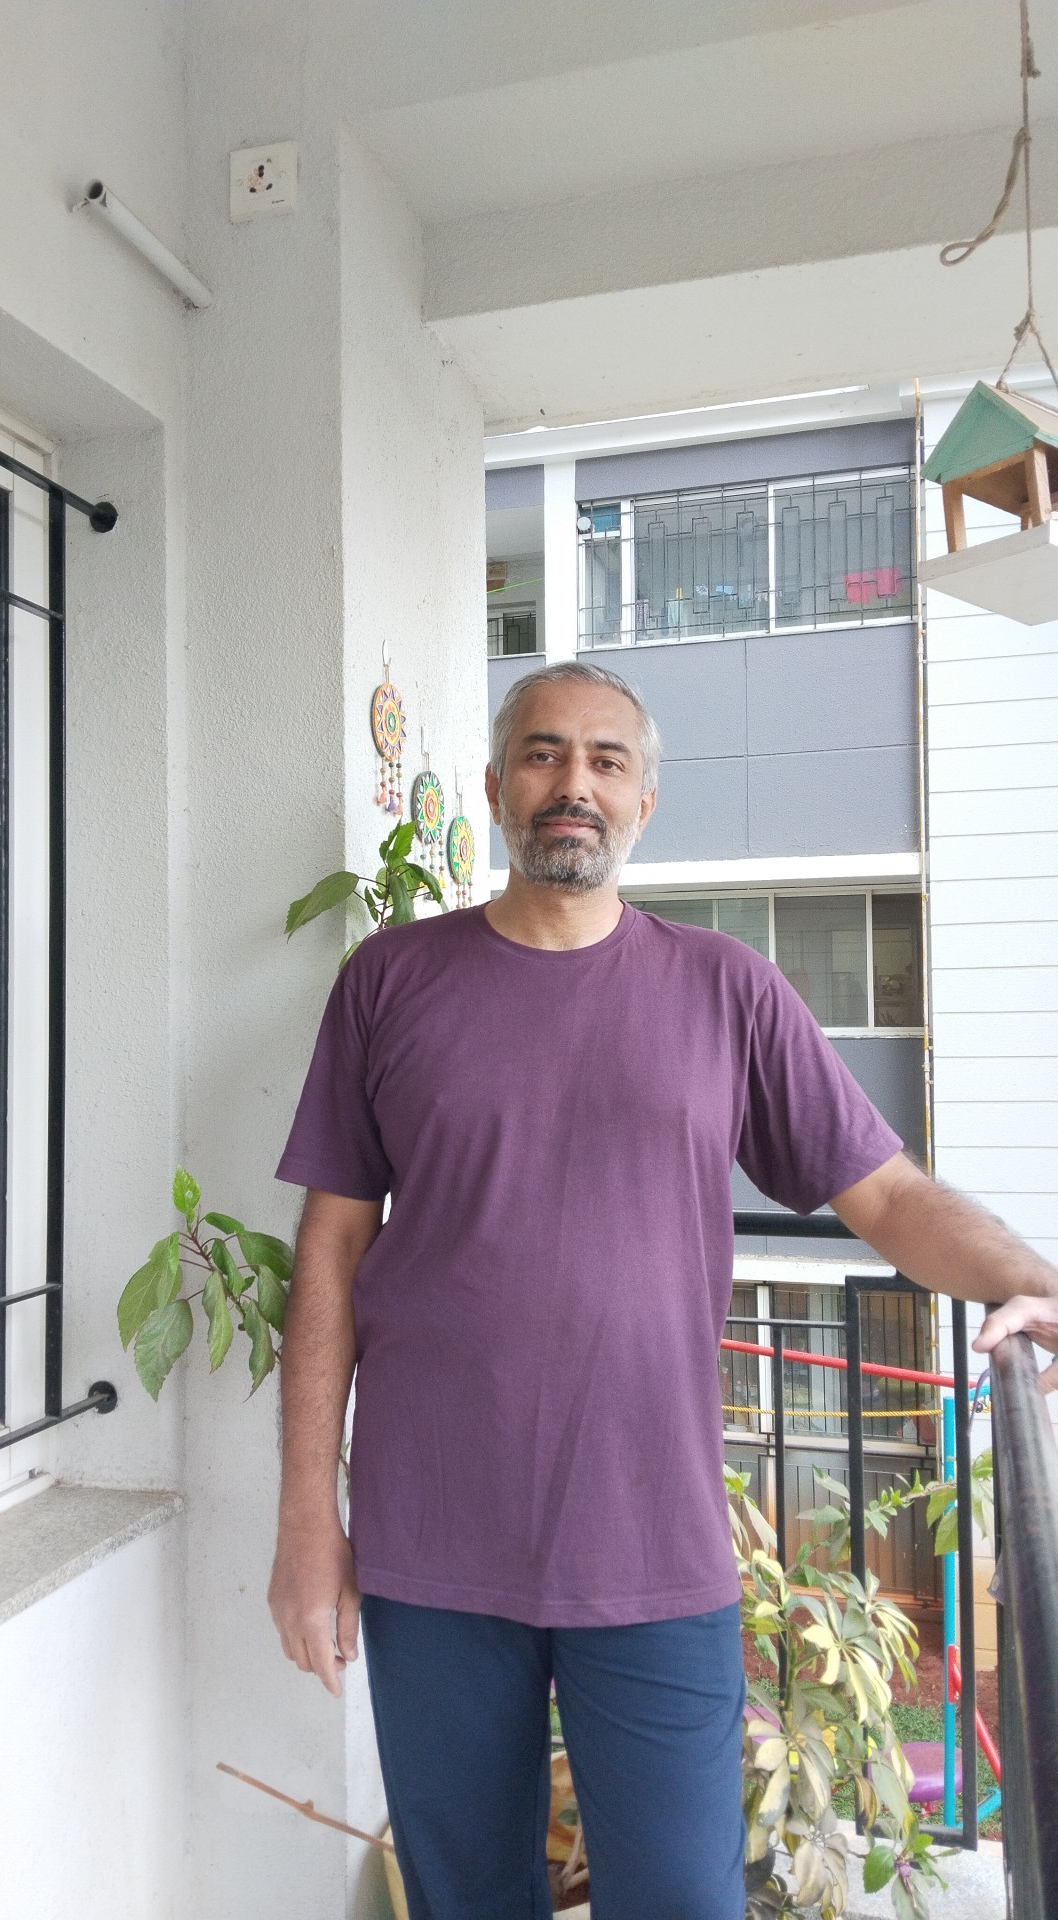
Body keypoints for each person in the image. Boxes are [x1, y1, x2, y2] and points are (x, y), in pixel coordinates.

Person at [268, 661, 1058, 1920]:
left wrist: (1034, 1278)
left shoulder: (726, 989)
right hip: (432, 1538)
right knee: (466, 1896)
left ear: (644, 801)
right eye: (542, 754)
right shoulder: (390, 981)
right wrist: (309, 1517)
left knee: (684, 1897)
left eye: (607, 760)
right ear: (494, 786)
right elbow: (330, 1250)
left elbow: (890, 1197)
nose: (572, 783)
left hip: (651, 1540)